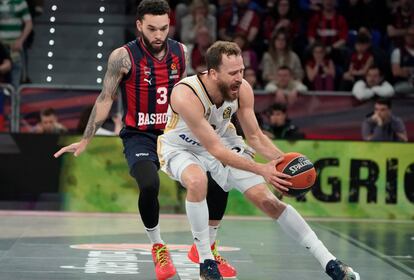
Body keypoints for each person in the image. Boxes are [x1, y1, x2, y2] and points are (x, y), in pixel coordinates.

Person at [53, 1, 235, 279]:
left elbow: (187, 93)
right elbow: (105, 99)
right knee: (148, 185)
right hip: (140, 136)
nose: (158, 34)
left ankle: (205, 247)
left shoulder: (180, 51)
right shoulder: (122, 57)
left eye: (163, 28)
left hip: (175, 132)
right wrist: (86, 139)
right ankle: (158, 246)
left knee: (221, 175)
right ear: (139, 25)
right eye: (152, 28)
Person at [158, 41, 360, 280]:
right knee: (197, 181)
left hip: (223, 140)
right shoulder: (186, 94)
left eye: (241, 70)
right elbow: (215, 150)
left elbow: (254, 136)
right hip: (182, 146)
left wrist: (282, 165)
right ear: (213, 73)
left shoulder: (242, 89)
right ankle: (206, 262)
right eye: (233, 73)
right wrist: (262, 169)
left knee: (268, 201)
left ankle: (330, 263)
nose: (239, 77)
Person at [0, 0, 33, 89]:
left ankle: (14, 101)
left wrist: (20, 41)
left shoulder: (20, 2)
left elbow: (29, 23)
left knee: (15, 80)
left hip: (13, 47)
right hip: (0, 48)